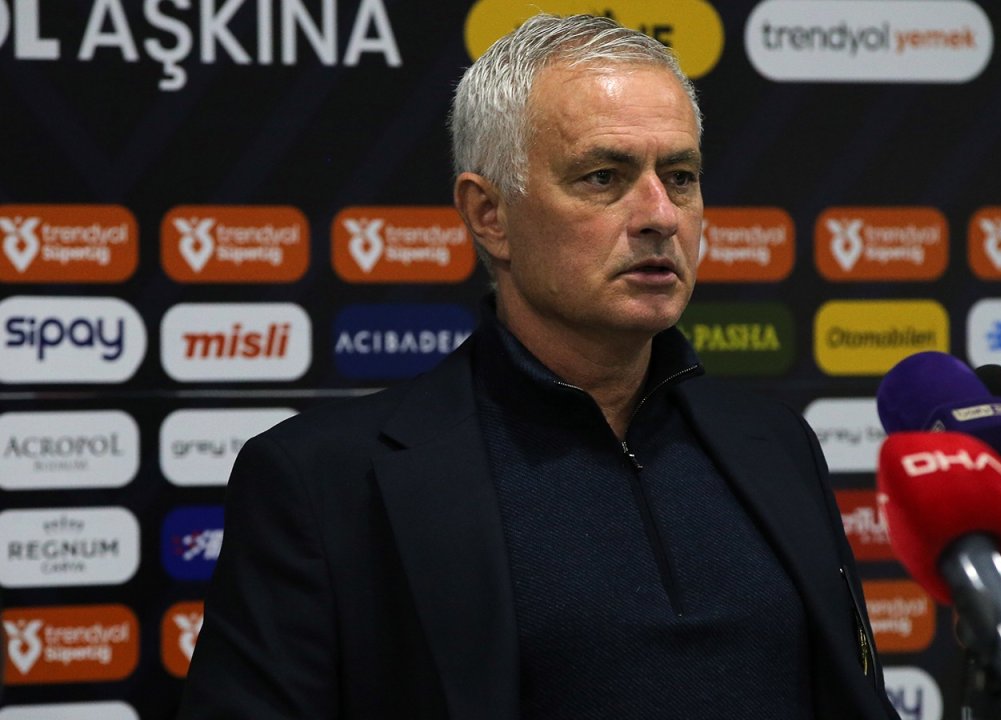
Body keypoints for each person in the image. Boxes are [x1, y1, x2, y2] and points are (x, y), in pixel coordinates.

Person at [179, 14, 897, 719]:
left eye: (680, 176)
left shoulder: (775, 445)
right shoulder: (324, 480)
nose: (661, 215)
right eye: (604, 176)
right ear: (489, 214)